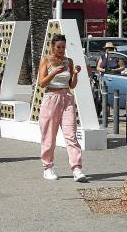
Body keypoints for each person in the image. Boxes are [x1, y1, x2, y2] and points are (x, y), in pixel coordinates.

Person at [38, 34, 87, 182]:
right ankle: (48, 167)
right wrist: (53, 72)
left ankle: (77, 168)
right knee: (49, 136)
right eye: (58, 47)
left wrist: (76, 74)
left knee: (71, 134)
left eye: (63, 47)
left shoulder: (68, 61)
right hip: (51, 98)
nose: (61, 50)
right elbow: (42, 83)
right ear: (53, 46)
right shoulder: (46, 60)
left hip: (67, 98)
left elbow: (71, 85)